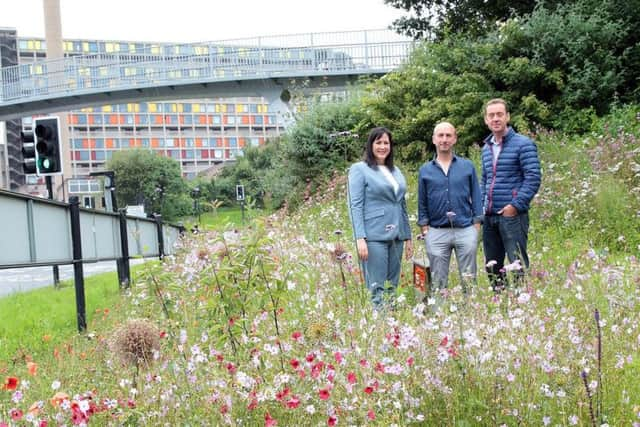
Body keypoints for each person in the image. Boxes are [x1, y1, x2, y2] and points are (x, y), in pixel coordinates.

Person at [347, 127, 413, 308]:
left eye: (386, 143)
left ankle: (391, 326)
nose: (383, 146)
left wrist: (408, 236)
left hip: (397, 235)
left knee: (392, 286)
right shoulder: (360, 169)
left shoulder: (395, 171)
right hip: (374, 236)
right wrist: (360, 238)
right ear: (371, 145)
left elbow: (401, 204)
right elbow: (355, 205)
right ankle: (379, 326)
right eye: (379, 142)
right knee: (377, 288)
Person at [480, 98, 541, 289]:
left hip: (512, 217)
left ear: (508, 117)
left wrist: (514, 206)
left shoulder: (523, 144)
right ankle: (500, 304)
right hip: (489, 217)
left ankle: (520, 304)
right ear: (486, 120)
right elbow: (485, 180)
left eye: (500, 114)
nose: (496, 118)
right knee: (493, 266)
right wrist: (482, 206)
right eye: (491, 115)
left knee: (517, 264)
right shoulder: (486, 148)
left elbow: (533, 178)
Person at [417, 122, 483, 292]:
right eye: (440, 135)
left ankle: (471, 312)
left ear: (454, 139)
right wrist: (425, 227)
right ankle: (439, 314)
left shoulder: (467, 166)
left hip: (465, 228)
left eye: (448, 135)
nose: (444, 139)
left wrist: (476, 224)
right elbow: (422, 200)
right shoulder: (425, 170)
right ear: (434, 139)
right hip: (436, 231)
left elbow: (476, 195)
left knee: (469, 278)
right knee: (438, 280)